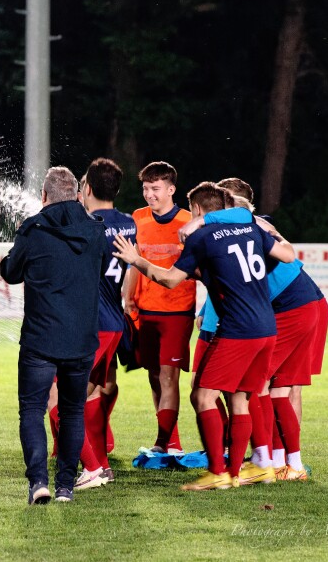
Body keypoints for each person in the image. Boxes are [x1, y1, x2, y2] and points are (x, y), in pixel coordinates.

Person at [113, 181, 296, 490]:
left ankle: (217, 472)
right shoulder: (251, 229)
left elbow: (170, 280)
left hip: (237, 330)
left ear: (196, 210)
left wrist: (136, 260)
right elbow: (288, 255)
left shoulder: (204, 237)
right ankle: (240, 472)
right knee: (240, 398)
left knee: (202, 396)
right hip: (266, 328)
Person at [0, 166, 108, 504]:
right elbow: (98, 270)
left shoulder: (34, 229)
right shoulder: (95, 230)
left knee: (32, 410)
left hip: (40, 338)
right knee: (73, 411)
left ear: (44, 196)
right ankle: (64, 487)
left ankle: (38, 483)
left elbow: (10, 272)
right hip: (81, 338)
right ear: (77, 195)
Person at [70, 157, 136, 489]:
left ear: (89, 188)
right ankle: (103, 464)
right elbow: (132, 267)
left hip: (91, 323)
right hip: (114, 320)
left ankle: (92, 468)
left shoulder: (86, 225)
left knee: (64, 398)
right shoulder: (129, 224)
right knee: (93, 393)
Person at [121, 161, 196, 455]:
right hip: (146, 310)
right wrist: (128, 299)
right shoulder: (138, 218)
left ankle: (166, 442)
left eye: (155, 188)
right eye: (145, 188)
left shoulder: (190, 222)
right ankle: (168, 439)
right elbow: (133, 263)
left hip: (178, 311)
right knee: (154, 375)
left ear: (171, 189)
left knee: (169, 375)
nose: (149, 194)